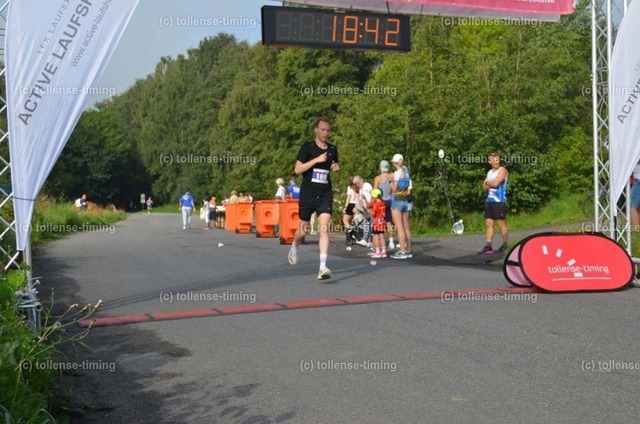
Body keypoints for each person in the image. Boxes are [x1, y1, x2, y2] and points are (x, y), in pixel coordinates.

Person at [287, 116, 340, 280]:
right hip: (308, 194)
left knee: (323, 228)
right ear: (316, 130)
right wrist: (317, 159)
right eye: (322, 129)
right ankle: (295, 244)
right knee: (303, 230)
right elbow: (297, 170)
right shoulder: (307, 147)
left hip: (325, 194)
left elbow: (333, 164)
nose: (325, 133)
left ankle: (322, 267)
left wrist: (335, 166)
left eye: (328, 130)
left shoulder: (332, 149)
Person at [479, 152, 509, 254]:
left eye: (497, 160)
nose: (496, 162)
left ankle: (505, 244)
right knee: (488, 223)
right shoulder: (489, 172)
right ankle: (488, 245)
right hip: (489, 200)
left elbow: (496, 184)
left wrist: (488, 183)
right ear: (490, 162)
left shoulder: (502, 170)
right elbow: (484, 186)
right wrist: (488, 184)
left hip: (499, 200)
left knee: (501, 223)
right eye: (494, 160)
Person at [390, 154, 412, 259]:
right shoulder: (406, 173)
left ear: (395, 162)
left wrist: (391, 182)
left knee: (399, 227)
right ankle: (408, 250)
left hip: (397, 200)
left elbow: (394, 189)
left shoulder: (397, 173)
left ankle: (402, 251)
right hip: (405, 200)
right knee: (406, 227)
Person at [374, 160, 395, 249]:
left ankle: (379, 242)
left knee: (379, 221)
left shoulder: (378, 178)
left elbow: (375, 191)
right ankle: (391, 241)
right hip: (389, 200)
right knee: (389, 222)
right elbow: (393, 190)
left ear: (380, 167)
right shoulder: (392, 177)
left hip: (381, 202)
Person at [369, 188, 387, 258]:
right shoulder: (383, 203)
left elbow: (373, 213)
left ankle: (377, 251)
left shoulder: (377, 204)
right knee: (382, 236)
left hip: (376, 223)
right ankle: (383, 251)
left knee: (376, 237)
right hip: (382, 222)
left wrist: (367, 210)